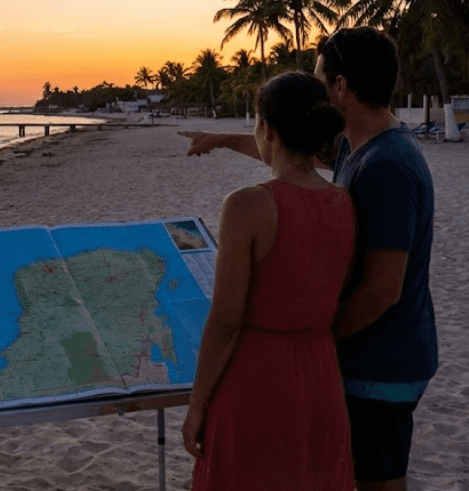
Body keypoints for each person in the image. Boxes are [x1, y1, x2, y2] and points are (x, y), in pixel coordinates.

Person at [180, 27, 437, 491]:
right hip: (333, 366)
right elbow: (292, 161)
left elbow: (383, 289)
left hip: (379, 363)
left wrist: (309, 333)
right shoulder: (357, 157)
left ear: (340, 87)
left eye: (319, 81)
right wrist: (220, 138)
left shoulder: (387, 166)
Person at [181, 71, 355, 490]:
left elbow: (226, 320)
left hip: (257, 378)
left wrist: (197, 403)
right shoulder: (342, 200)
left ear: (268, 128)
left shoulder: (247, 206)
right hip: (320, 377)